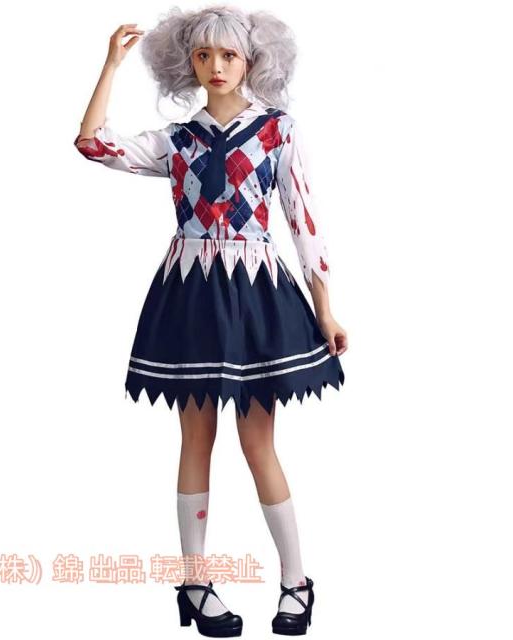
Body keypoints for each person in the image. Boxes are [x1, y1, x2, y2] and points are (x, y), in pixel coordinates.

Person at [74, 5, 348, 636]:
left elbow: (303, 220)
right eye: (203, 55)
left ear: (251, 60)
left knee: (258, 443)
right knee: (195, 440)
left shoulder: (277, 131)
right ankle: (194, 584)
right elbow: (92, 145)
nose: (216, 66)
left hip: (256, 292)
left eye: (228, 55)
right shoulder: (178, 140)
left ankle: (296, 581)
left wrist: (326, 308)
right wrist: (111, 65)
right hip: (192, 291)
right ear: (187, 62)